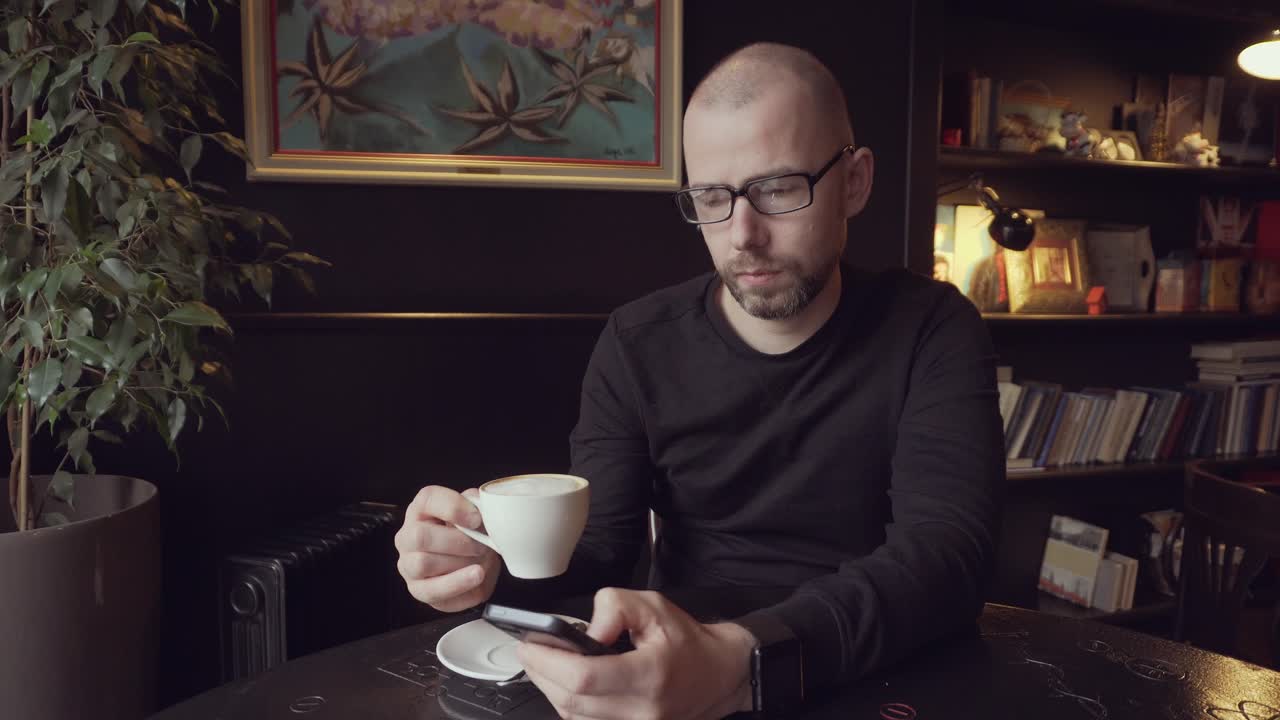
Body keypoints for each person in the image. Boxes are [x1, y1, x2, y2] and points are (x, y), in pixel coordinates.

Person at [395, 42, 1004, 719]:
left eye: (777, 188)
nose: (742, 234)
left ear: (854, 182)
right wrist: (483, 566)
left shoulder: (931, 328)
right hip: (673, 676)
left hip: (878, 673)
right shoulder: (636, 343)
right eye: (713, 197)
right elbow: (599, 551)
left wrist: (744, 659)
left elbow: (947, 558)